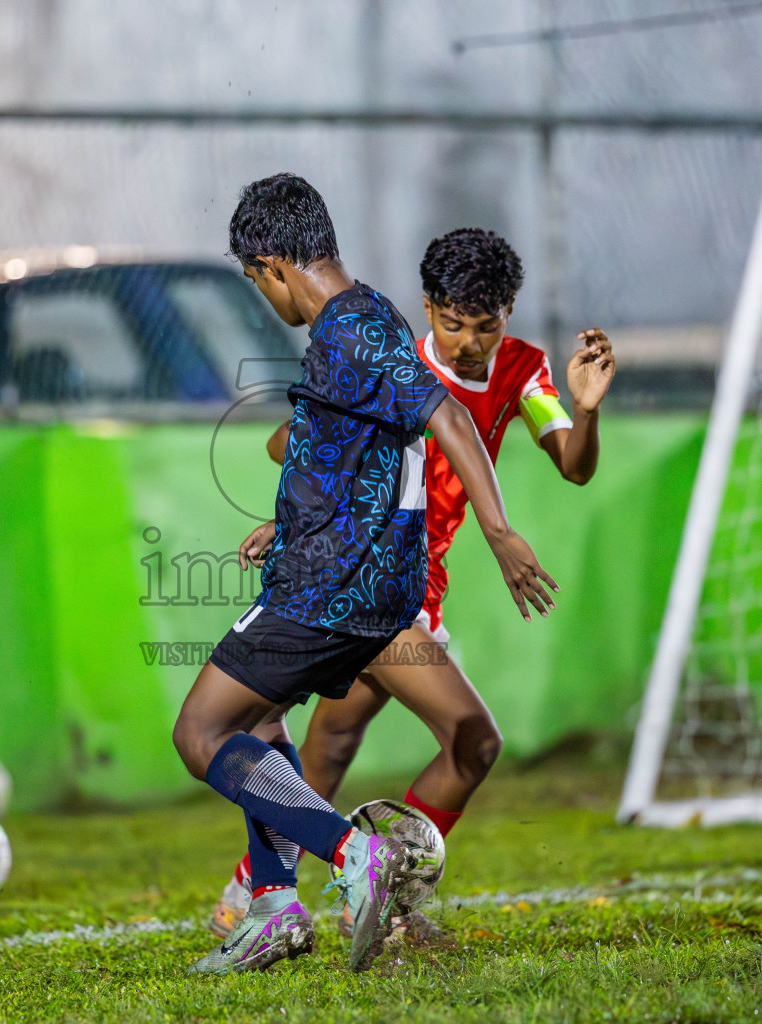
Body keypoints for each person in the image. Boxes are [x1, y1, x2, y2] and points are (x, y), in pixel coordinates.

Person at [173, 175, 557, 975]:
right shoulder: (360, 323)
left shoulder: (352, 329)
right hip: (371, 590)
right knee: (268, 723)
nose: (262, 297)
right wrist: (287, 517)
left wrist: (499, 531)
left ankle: (356, 856)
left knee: (202, 733)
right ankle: (275, 908)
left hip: (327, 588)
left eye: (254, 282)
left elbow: (445, 417)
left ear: (273, 265)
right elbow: (354, 449)